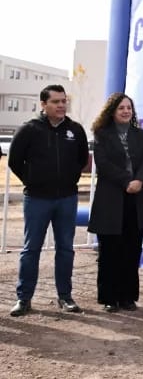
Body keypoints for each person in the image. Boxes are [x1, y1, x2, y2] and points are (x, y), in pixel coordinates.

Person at [8, 84, 89, 316]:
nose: (61, 105)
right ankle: (24, 299)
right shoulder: (29, 129)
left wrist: (69, 179)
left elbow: (82, 159)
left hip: (67, 198)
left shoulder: (75, 130)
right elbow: (15, 161)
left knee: (65, 249)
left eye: (64, 101)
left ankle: (65, 297)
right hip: (36, 199)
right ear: (43, 104)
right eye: (55, 102)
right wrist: (33, 180)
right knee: (31, 249)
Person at [88, 93, 143, 312]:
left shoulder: (139, 134)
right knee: (110, 251)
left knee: (131, 250)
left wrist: (139, 180)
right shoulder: (102, 134)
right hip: (111, 199)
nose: (126, 111)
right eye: (121, 108)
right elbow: (103, 164)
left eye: (129, 108)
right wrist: (127, 181)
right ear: (112, 111)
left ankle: (128, 297)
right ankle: (109, 297)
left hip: (136, 199)